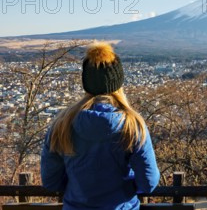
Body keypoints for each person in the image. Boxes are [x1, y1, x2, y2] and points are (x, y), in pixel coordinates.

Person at [41, 42, 160, 210]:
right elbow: (148, 183)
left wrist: (77, 187)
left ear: (87, 83)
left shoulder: (62, 124)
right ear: (118, 83)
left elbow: (51, 181)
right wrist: (125, 187)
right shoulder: (132, 125)